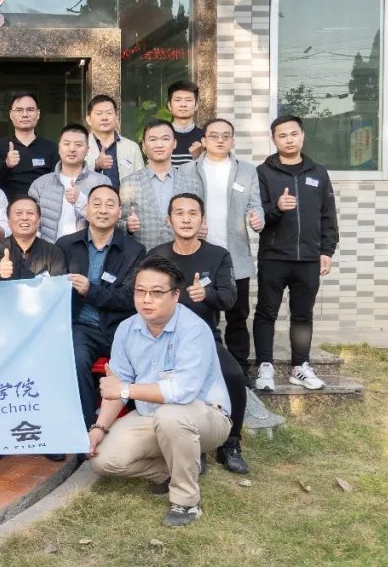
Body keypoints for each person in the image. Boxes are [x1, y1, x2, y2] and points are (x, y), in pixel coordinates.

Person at [88, 255, 232, 528]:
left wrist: (126, 390)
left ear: (175, 295)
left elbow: (182, 391)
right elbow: (116, 386)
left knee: (171, 416)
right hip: (150, 415)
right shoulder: (127, 329)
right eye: (140, 291)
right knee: (105, 461)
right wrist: (99, 427)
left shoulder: (193, 330)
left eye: (156, 292)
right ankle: (171, 469)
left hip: (205, 416)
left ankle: (186, 502)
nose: (146, 299)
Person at [149, 193, 250, 474]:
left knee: (233, 374)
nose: (186, 219)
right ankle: (194, 445)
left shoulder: (218, 255)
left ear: (202, 220)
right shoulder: (157, 256)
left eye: (192, 213)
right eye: (179, 213)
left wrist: (207, 295)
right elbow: (142, 294)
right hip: (163, 339)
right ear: (169, 220)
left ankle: (230, 443)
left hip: (204, 337)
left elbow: (230, 298)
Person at [253, 115, 339, 391]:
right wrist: (277, 207)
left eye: (293, 134)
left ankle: (300, 366)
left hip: (309, 258)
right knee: (266, 313)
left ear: (302, 136)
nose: (288, 140)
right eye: (282, 135)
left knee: (303, 314)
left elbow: (328, 215)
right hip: (274, 255)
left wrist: (327, 250)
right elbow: (256, 215)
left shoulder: (318, 173)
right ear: (273, 139)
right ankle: (264, 366)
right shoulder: (263, 173)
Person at [178, 119, 264, 380]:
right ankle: (204, 369)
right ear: (204, 140)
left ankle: (240, 372)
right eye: (213, 135)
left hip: (235, 256)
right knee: (203, 314)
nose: (219, 140)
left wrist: (257, 219)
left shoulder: (247, 171)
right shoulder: (187, 170)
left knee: (238, 316)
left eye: (226, 136)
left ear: (232, 141)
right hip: (201, 254)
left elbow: (255, 204)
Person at [55, 184, 145, 429]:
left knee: (144, 360)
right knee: (76, 357)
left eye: (110, 205)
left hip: (120, 328)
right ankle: (87, 427)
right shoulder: (65, 245)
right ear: (86, 209)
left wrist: (90, 290)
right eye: (96, 204)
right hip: (81, 326)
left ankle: (140, 426)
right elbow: (55, 289)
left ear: (119, 211)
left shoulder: (135, 250)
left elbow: (129, 297)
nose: (103, 210)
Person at [120, 119, 201, 251]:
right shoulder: (129, 182)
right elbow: (118, 222)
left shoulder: (190, 183)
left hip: (181, 255)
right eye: (153, 140)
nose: (159, 145)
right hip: (143, 256)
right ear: (144, 145)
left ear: (174, 143)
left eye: (165, 139)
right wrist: (127, 226)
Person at [28, 124, 110, 242]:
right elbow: (31, 224)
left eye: (78, 145)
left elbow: (108, 221)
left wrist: (80, 200)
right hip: (49, 250)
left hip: (86, 250)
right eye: (66, 144)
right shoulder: (40, 184)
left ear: (87, 150)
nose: (72, 149)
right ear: (59, 148)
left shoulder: (101, 182)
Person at [0, 91, 58, 200]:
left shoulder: (51, 148)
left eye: (30, 110)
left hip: (41, 206)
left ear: (38, 114)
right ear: (11, 115)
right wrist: (7, 165)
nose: (25, 114)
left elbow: (56, 184)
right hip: (9, 206)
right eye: (19, 110)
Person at [0, 196, 67, 281]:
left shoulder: (53, 252)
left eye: (30, 213)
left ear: (38, 220)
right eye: (18, 213)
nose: (24, 218)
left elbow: (58, 285)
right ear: (8, 220)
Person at [84, 95, 143, 190]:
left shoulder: (132, 147)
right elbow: (72, 176)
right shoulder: (80, 146)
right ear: (88, 119)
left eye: (109, 113)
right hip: (91, 199)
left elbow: (141, 181)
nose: (104, 118)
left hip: (125, 199)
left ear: (116, 117)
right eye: (99, 113)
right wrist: (96, 165)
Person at [167, 80, 205, 166]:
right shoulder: (161, 137)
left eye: (188, 100)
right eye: (178, 100)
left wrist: (199, 157)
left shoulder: (206, 137)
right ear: (169, 106)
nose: (183, 104)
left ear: (196, 106)